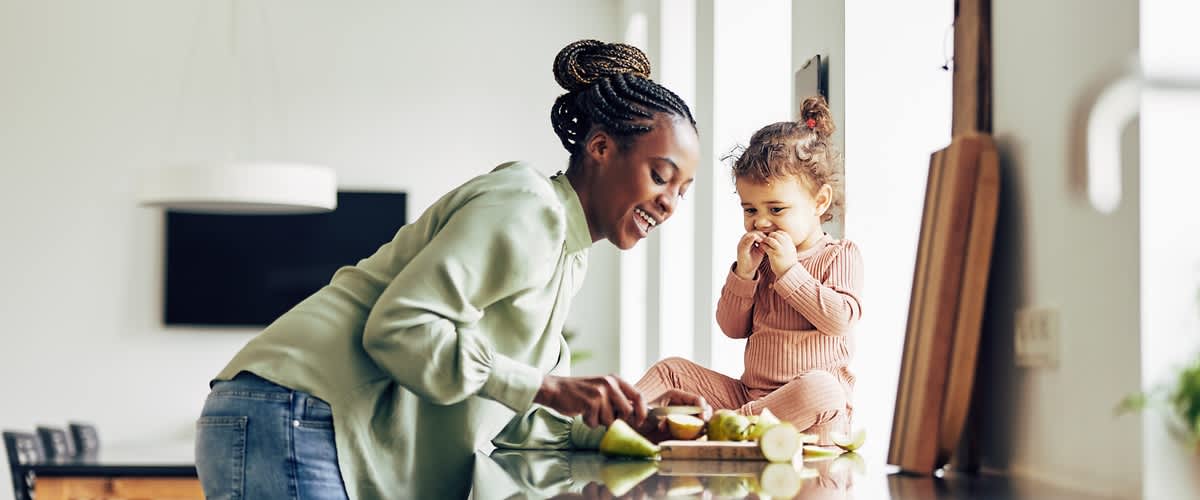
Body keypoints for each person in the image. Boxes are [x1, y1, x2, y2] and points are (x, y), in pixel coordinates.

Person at [193, 39, 707, 500]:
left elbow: (514, 423)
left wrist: (636, 426)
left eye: (682, 191)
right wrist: (549, 388)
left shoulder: (569, 259)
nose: (669, 204)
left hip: (302, 419)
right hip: (292, 408)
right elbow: (401, 328)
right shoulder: (527, 204)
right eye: (660, 176)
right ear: (599, 148)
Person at [635, 96, 864, 445]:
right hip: (750, 398)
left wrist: (790, 274)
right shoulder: (762, 263)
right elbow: (731, 327)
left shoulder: (840, 254)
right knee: (672, 370)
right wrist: (743, 275)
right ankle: (614, 418)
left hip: (806, 410)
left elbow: (840, 319)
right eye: (750, 209)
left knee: (825, 389)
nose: (761, 221)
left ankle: (724, 428)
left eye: (776, 208)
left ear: (819, 202)